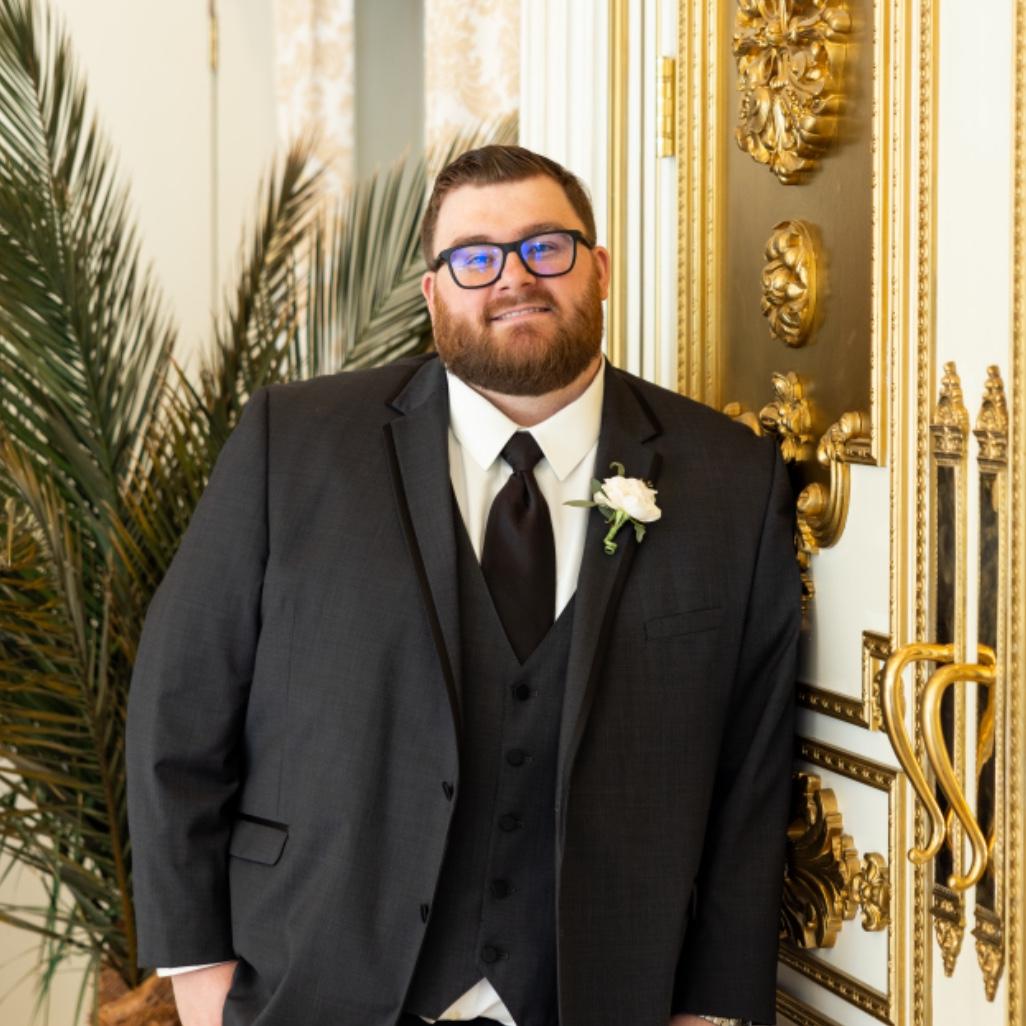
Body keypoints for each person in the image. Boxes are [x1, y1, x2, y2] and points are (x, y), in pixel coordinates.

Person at [126, 144, 801, 1026]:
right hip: (312, 983)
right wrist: (197, 974)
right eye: (475, 257)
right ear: (433, 292)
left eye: (545, 247)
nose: (513, 277)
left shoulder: (729, 479)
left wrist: (711, 1008)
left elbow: (751, 774)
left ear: (599, 269)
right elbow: (179, 707)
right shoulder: (293, 443)